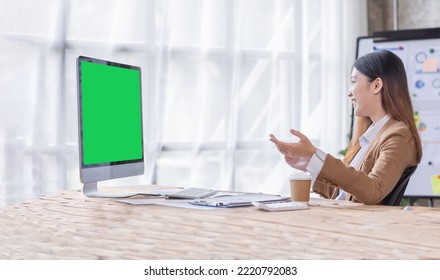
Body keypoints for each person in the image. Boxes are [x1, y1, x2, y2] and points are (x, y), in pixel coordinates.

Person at [269, 50, 422, 205]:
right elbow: (343, 194)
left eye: (354, 82)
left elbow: (373, 190)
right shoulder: (371, 135)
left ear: (376, 85)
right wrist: (310, 164)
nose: (349, 92)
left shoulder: (398, 136)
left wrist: (314, 154)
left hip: (360, 225)